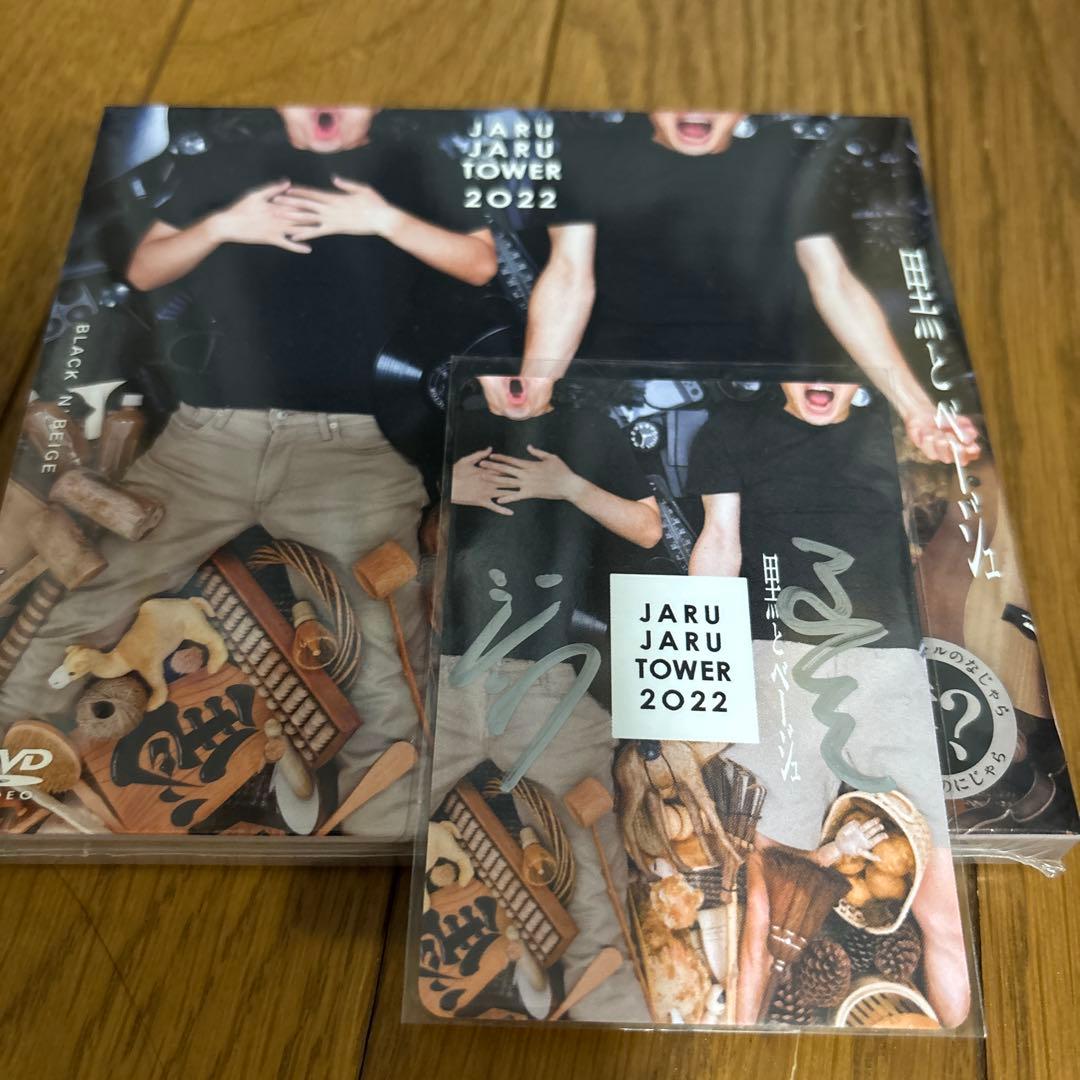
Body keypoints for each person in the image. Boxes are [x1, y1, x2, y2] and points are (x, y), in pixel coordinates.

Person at [0, 106, 497, 843]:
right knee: (93, 594)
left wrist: (381, 218)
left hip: (351, 447)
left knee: (383, 643)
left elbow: (480, 262)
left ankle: (385, 836)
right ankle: (12, 758)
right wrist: (226, 224)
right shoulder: (223, 165)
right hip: (209, 437)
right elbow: (144, 267)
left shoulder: (414, 165)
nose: (328, 103)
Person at [687, 381, 971, 1028]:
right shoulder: (730, 430)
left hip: (888, 664)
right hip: (775, 664)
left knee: (944, 910)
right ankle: (735, 1055)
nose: (820, 380)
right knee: (760, 907)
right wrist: (702, 681)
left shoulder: (895, 433)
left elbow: (949, 543)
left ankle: (950, 1046)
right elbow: (720, 546)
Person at [521, 112, 979, 467]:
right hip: (626, 381)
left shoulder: (786, 159)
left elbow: (834, 282)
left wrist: (918, 410)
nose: (696, 106)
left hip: (759, 392)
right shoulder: (592, 153)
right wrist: (535, 387)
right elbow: (568, 275)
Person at [428, 374, 661, 1022]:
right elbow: (409, 539)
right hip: (449, 671)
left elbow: (648, 529)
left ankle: (608, 1014)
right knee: (417, 840)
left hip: (557, 674)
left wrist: (568, 485)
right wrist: (445, 490)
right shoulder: (450, 427)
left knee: (589, 863)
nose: (515, 375)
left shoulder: (592, 430)